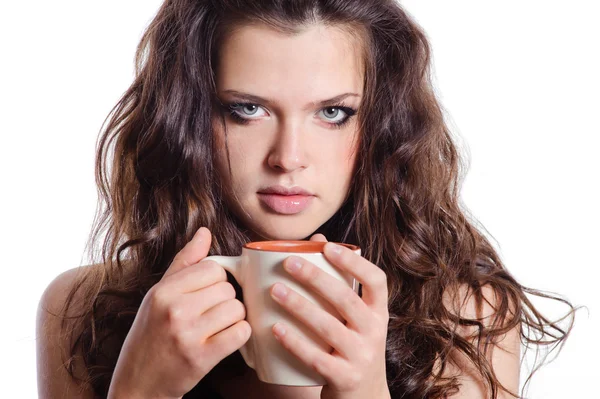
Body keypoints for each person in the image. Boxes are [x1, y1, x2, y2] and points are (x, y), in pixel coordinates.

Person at [36, 1, 578, 398]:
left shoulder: (465, 316)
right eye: (247, 109)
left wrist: (363, 392)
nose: (289, 157)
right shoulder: (84, 309)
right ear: (188, 120)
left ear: (382, 127)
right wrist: (140, 393)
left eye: (332, 112)